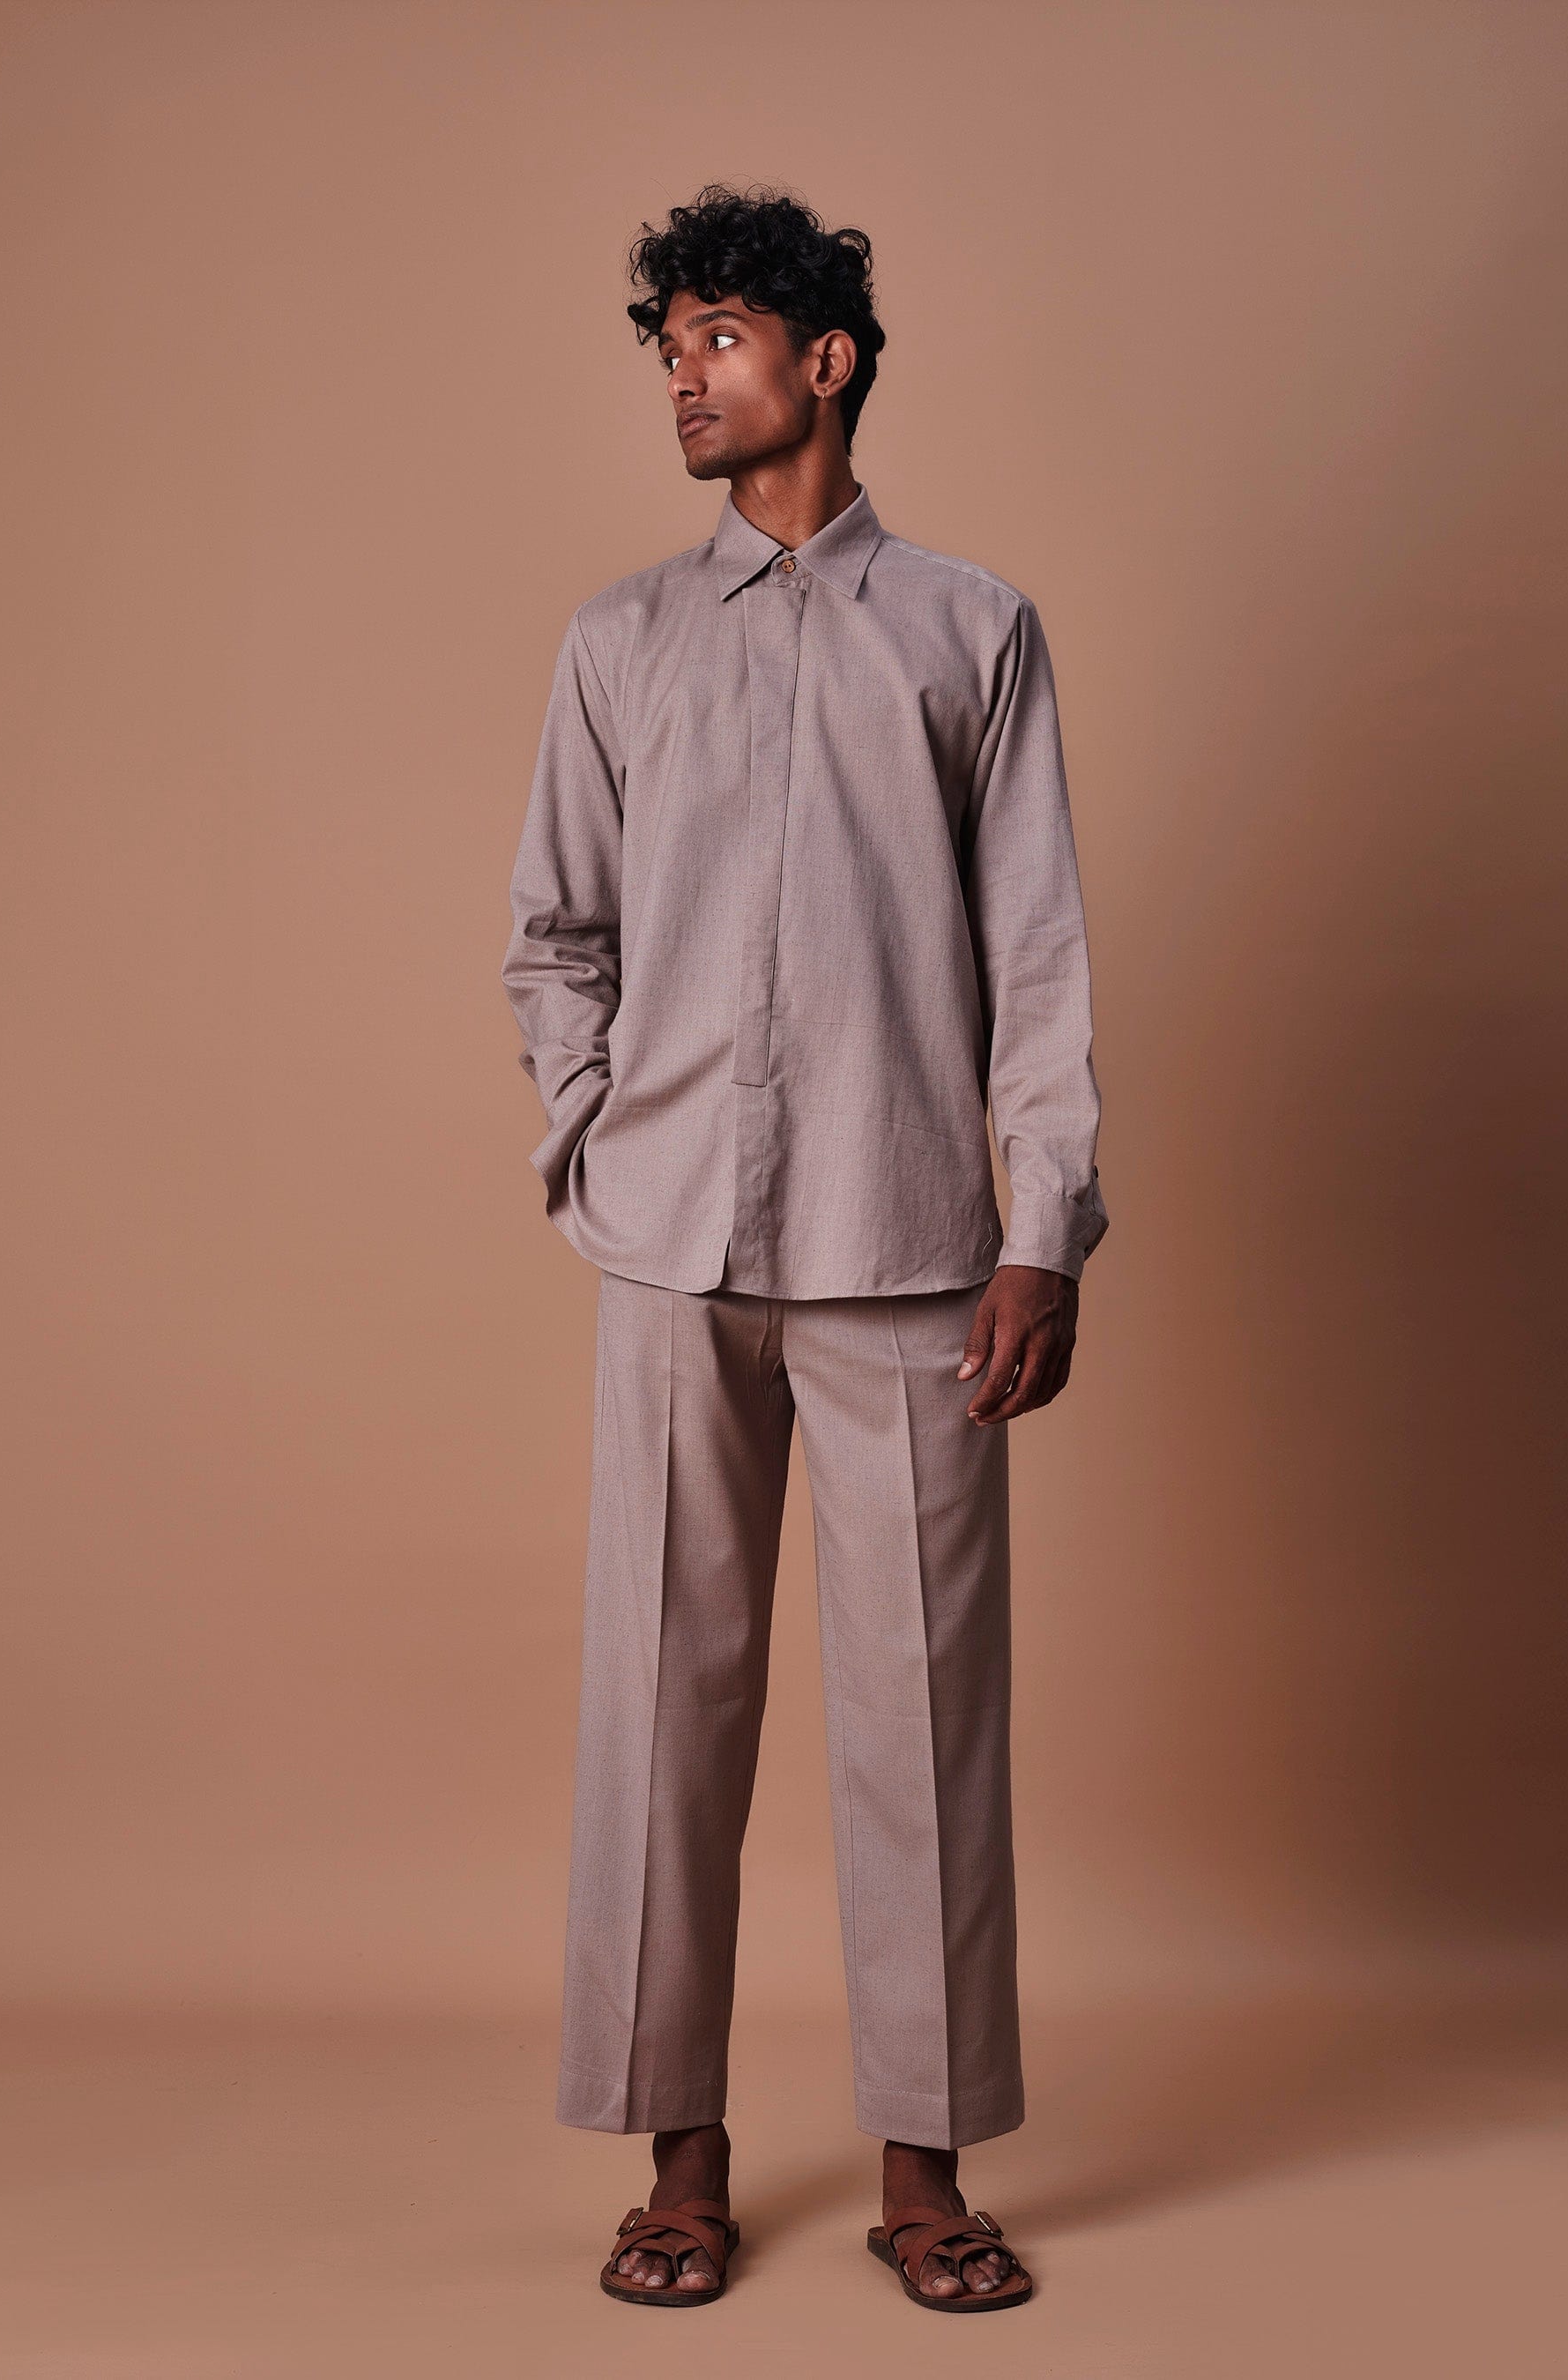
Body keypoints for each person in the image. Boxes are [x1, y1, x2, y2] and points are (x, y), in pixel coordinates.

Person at [500, 182, 1108, 2313]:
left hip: (912, 1244)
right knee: (661, 1715)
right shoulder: (618, 643)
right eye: (668, 343)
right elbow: (554, 933)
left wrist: (1045, 1229)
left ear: (824, 361)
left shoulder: (972, 630)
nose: (683, 374)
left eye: (720, 336)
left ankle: (925, 2178)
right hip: (672, 1249)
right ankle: (680, 2163)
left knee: (922, 1725)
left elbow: (1039, 958)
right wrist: (595, 1138)